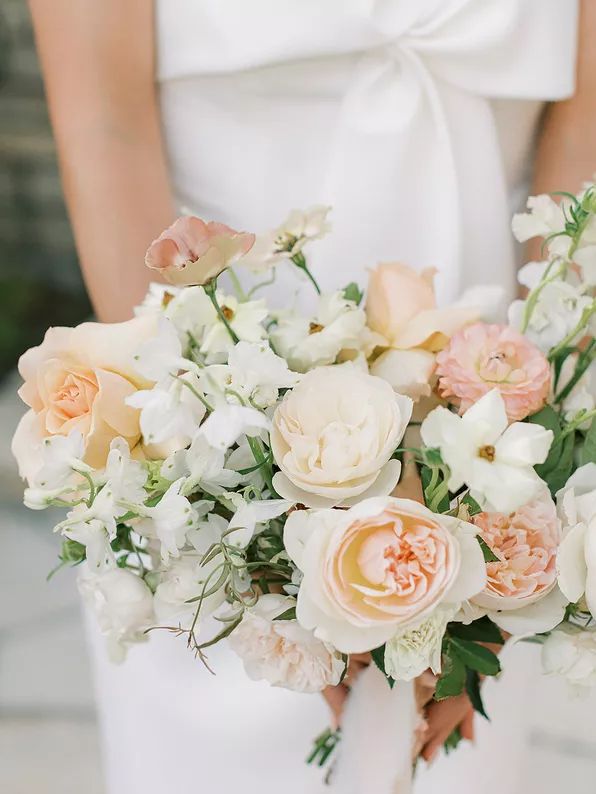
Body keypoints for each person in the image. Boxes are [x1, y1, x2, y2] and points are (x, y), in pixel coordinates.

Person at [28, 1, 593, 792]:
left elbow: (580, 162)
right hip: (212, 444)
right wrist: (258, 547)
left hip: (490, 444)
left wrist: (517, 504)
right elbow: (105, 130)